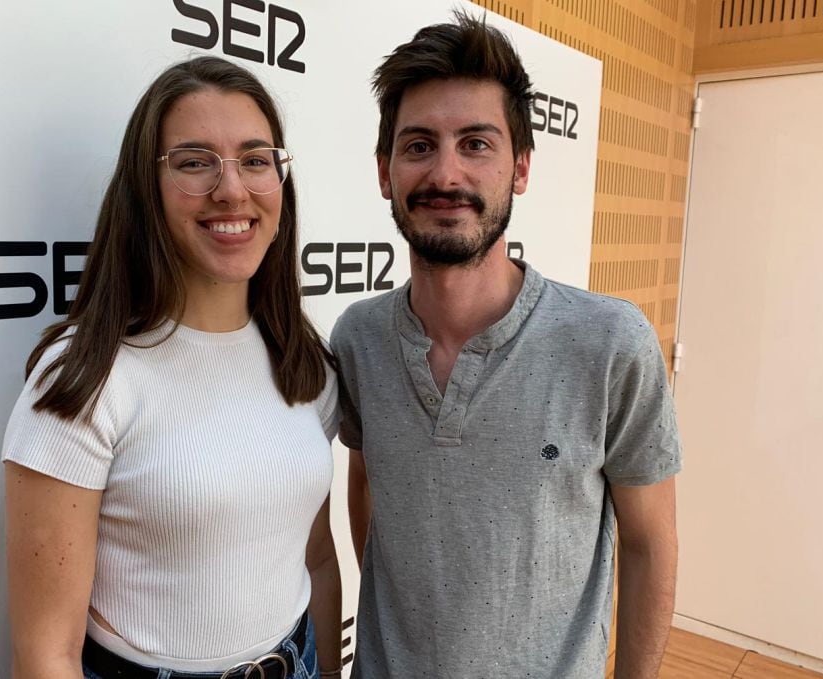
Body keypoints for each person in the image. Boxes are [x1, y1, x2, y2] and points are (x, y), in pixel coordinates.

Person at [330, 12, 682, 679]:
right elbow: (370, 473)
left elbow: (649, 542)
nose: (446, 173)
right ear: (385, 172)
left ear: (520, 167)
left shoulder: (609, 343)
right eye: (419, 145)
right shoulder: (359, 337)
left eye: (476, 143)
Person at [2, 56, 342, 679]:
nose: (232, 189)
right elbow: (46, 654)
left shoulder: (306, 365)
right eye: (194, 162)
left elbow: (316, 557)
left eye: (255, 159)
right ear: (146, 190)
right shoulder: (84, 377)